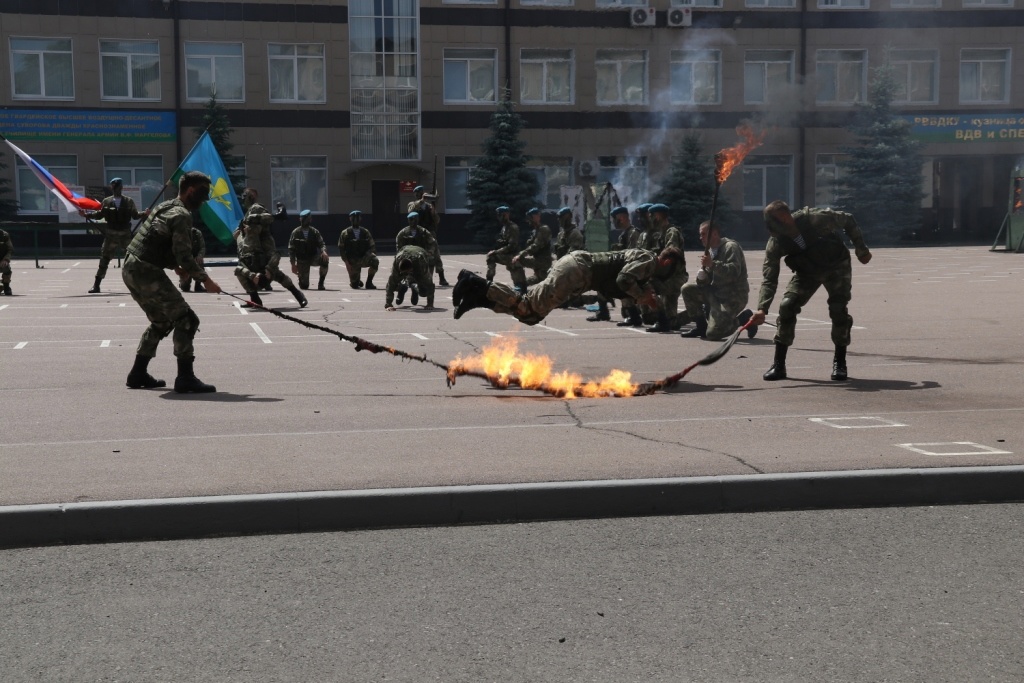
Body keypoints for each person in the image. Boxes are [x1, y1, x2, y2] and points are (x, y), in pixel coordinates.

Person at [121, 170, 223, 393]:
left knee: (162, 321)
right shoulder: (181, 215)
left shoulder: (165, 206)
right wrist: (205, 280)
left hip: (132, 266)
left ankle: (137, 373)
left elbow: (157, 241)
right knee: (187, 319)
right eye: (202, 194)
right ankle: (185, 377)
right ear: (190, 191)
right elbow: (184, 255)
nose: (203, 201)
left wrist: (174, 266)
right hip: (144, 270)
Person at [750, 200, 872, 382]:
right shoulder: (776, 242)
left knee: (838, 310)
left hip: (836, 266)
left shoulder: (814, 219)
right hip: (807, 272)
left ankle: (840, 363)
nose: (773, 232)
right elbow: (769, 277)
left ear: (786, 217)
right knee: (787, 306)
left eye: (776, 224)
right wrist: (762, 308)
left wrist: (861, 250)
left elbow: (847, 219)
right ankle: (779, 365)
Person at [452, 247, 685, 326]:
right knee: (527, 307)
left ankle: (478, 298)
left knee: (530, 316)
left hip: (576, 272)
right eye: (670, 270)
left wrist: (644, 298)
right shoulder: (649, 261)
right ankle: (476, 282)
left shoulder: (644, 263)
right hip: (578, 272)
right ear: (666, 261)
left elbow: (623, 284)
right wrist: (643, 296)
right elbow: (624, 280)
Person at [679, 220, 753, 340]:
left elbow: (734, 272)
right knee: (687, 289)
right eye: (700, 234)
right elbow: (708, 279)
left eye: (703, 234)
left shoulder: (730, 247)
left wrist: (713, 265)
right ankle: (701, 327)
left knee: (714, 333)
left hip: (733, 296)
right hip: (716, 293)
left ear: (714, 234)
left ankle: (744, 318)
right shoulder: (710, 251)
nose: (700, 237)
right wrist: (702, 278)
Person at [233, 187, 307, 308]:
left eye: (245, 196)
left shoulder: (256, 207)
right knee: (242, 272)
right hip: (252, 250)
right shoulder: (247, 213)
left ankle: (298, 295)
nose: (243, 199)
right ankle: (255, 299)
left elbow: (266, 219)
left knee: (275, 273)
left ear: (252, 196)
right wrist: (240, 232)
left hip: (264, 246)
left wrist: (251, 224)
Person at [82, 177, 149, 294]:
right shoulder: (107, 201)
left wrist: (145, 213)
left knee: (133, 259)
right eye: (114, 187)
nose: (116, 189)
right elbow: (100, 214)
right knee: (104, 259)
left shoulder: (128, 201)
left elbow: (135, 215)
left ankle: (140, 284)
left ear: (121, 188)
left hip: (125, 235)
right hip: (111, 235)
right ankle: (96, 285)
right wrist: (87, 215)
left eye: (118, 187)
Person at [644, 203, 688, 332]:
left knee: (649, 286)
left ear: (658, 216)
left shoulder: (671, 232)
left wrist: (656, 264)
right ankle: (700, 311)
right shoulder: (662, 233)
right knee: (672, 322)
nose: (650, 219)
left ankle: (661, 320)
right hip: (668, 276)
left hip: (675, 277)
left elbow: (670, 253)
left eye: (651, 216)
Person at [407, 185, 448, 286]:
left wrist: (433, 209)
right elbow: (410, 211)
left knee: (436, 255)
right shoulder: (412, 204)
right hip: (417, 233)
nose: (418, 194)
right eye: (417, 193)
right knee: (416, 255)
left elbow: (437, 220)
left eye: (420, 192)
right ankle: (413, 277)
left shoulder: (429, 206)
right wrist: (421, 201)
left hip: (429, 233)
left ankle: (441, 277)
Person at [509, 207, 553, 292]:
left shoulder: (544, 229)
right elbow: (530, 245)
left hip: (543, 261)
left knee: (517, 261)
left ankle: (520, 286)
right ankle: (521, 285)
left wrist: (521, 255)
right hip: (539, 261)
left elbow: (536, 246)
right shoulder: (535, 231)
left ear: (537, 217)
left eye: (531, 217)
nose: (529, 220)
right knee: (541, 278)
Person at [384, 245, 435, 311]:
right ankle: (403, 286)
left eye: (408, 272)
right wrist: (388, 304)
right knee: (394, 283)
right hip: (404, 250)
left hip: (420, 253)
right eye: (404, 273)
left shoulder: (421, 264)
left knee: (424, 292)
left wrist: (430, 304)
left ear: (412, 269)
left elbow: (429, 284)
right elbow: (390, 285)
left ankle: (414, 286)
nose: (407, 274)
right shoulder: (397, 264)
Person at [288, 209, 329, 290]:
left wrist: (323, 251)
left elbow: (321, 243)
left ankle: (321, 283)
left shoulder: (314, 232)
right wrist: (293, 264)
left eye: (309, 219)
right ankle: (301, 278)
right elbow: (291, 249)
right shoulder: (295, 232)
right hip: (302, 260)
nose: (307, 221)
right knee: (304, 286)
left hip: (313, 257)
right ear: (301, 219)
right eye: (304, 219)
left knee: (324, 260)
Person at [337, 210, 379, 289]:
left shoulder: (365, 232)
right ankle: (356, 280)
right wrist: (346, 262)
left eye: (358, 218)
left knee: (375, 261)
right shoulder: (345, 233)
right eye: (354, 218)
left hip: (363, 258)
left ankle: (369, 282)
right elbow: (341, 248)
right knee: (355, 285)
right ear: (350, 219)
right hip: (353, 261)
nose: (356, 220)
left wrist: (372, 254)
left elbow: (372, 245)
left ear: (360, 219)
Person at [485, 205, 520, 282]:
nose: (498, 217)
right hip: (506, 254)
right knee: (491, 256)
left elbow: (512, 246)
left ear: (506, 215)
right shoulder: (504, 227)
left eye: (500, 215)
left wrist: (496, 251)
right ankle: (489, 281)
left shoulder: (512, 227)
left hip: (513, 256)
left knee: (519, 282)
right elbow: (503, 241)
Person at [178, 226, 207, 293]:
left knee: (200, 265)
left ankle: (198, 285)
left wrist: (200, 256)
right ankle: (184, 283)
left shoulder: (197, 233)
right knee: (185, 288)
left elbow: (202, 247)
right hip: (185, 258)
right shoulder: (180, 233)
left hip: (195, 258)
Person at [0, 227, 12, 296]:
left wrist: (6, 259)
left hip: (2, 260)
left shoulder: (4, 235)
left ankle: (6, 286)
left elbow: (10, 249)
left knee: (5, 267)